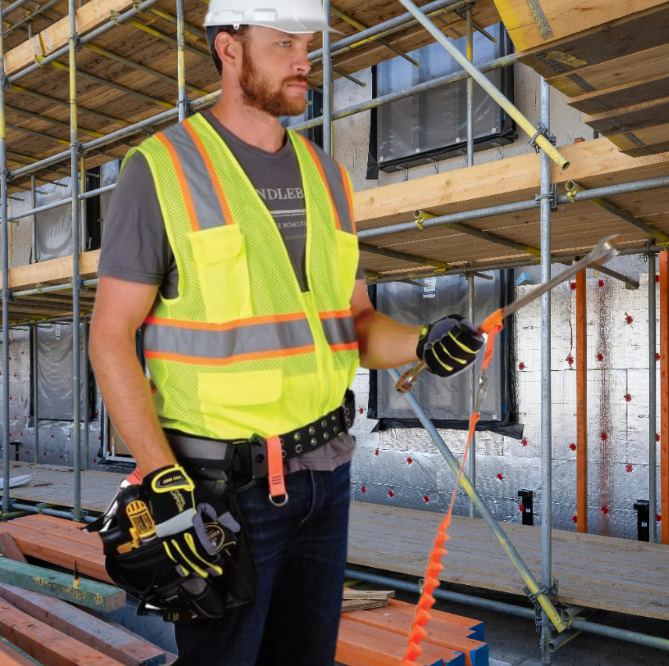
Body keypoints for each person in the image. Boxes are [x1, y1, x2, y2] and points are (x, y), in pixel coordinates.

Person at [88, 0, 483, 662]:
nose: (305, 60)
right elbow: (110, 336)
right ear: (229, 49)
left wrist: (420, 343)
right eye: (284, 45)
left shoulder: (327, 175)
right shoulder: (160, 170)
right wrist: (158, 471)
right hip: (223, 492)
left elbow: (353, 322)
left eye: (308, 44)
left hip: (324, 477)